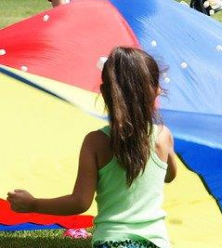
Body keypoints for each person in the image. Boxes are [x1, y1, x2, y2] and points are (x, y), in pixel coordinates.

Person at [7, 46, 177, 248]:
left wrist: (34, 204)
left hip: (112, 242)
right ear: (156, 91)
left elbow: (80, 202)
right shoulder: (163, 136)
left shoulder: (96, 142)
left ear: (105, 93)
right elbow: (170, 175)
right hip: (155, 242)